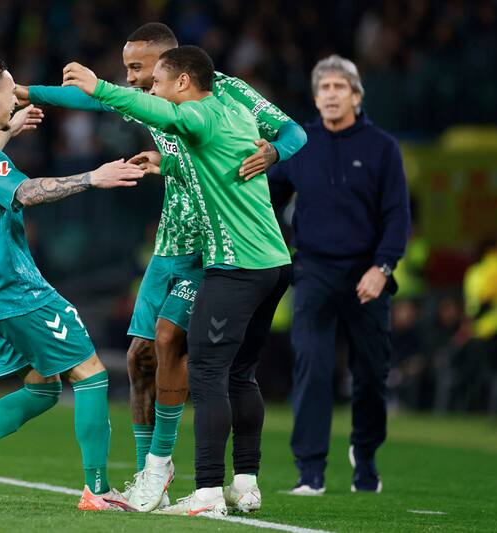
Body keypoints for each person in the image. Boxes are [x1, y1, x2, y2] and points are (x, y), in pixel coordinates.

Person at [19, 22, 305, 513]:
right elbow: (95, 102)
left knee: (182, 344)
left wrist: (275, 151)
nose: (131, 79)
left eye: (138, 68)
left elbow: (294, 130)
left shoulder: (224, 96)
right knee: (139, 356)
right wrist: (25, 91)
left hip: (216, 247)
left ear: (173, 70)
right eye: (126, 69)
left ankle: (190, 473)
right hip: (172, 243)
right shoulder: (163, 100)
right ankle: (158, 472)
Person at [0, 57, 145, 510]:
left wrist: (8, 130)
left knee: (44, 387)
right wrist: (93, 177)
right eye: (11, 93)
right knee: (90, 375)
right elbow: (26, 192)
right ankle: (98, 490)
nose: (17, 98)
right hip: (18, 290)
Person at [266, 55, 410, 494]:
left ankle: (364, 456)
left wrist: (382, 268)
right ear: (315, 97)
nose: (330, 94)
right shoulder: (298, 144)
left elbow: (397, 216)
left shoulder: (382, 147)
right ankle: (310, 471)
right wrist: (278, 250)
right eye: (323, 88)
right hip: (313, 272)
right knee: (312, 365)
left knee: (370, 374)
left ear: (356, 95)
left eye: (338, 87)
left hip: (368, 274)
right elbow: (266, 196)